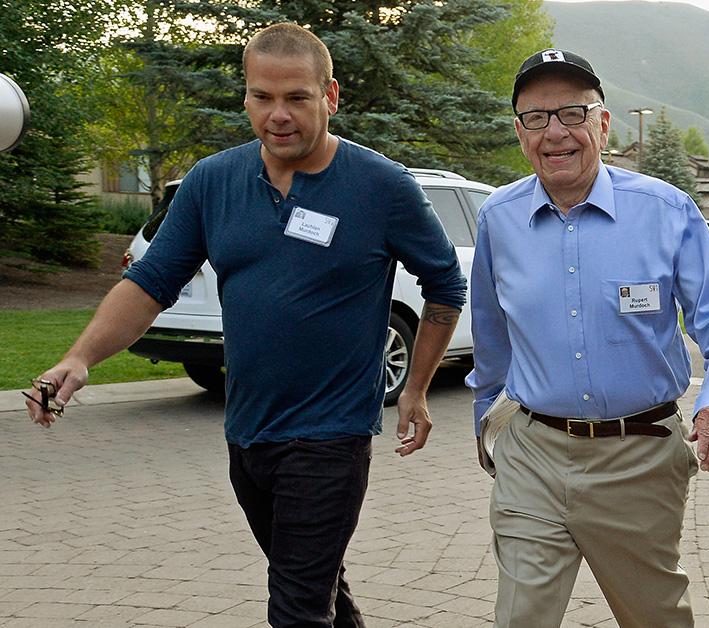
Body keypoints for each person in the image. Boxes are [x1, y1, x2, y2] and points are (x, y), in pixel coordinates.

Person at [23, 23, 466, 627]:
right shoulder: (213, 182)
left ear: (330, 96)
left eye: (296, 98)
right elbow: (150, 283)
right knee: (315, 588)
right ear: (247, 95)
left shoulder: (381, 186)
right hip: (249, 430)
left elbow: (445, 284)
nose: (277, 115)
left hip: (331, 436)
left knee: (295, 609)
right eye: (262, 96)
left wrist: (414, 388)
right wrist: (79, 358)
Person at [466, 49, 709, 628]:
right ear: (520, 132)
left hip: (639, 457)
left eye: (573, 114)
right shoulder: (498, 217)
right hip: (533, 454)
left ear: (603, 124)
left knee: (654, 617)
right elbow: (491, 333)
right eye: (536, 117)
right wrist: (486, 418)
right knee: (519, 617)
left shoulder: (665, 211)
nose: (555, 132)